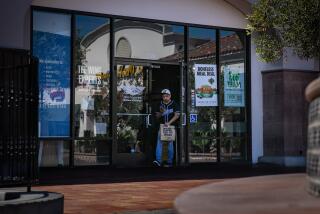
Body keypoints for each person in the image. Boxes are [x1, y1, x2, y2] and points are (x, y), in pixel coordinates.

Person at [153, 89, 180, 167]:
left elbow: (177, 115)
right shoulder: (159, 104)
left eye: (167, 96)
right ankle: (158, 160)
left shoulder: (174, 103)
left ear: (170, 96)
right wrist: (161, 113)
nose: (165, 97)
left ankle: (169, 161)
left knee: (170, 144)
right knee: (159, 143)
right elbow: (157, 116)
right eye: (164, 96)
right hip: (162, 127)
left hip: (171, 127)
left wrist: (169, 123)